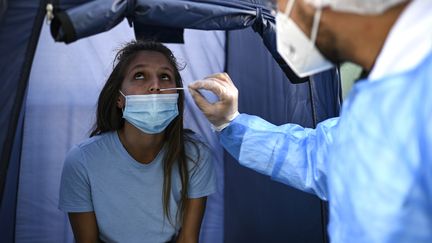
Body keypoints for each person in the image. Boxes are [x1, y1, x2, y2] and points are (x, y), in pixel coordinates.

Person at [188, 0, 432, 242]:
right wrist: (231, 123)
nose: (279, 14)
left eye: (276, 3)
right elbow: (319, 157)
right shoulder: (385, 88)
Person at [59, 40, 216, 243]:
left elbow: (188, 239)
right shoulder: (82, 160)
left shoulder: (196, 155)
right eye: (140, 75)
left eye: (165, 77)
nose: (155, 86)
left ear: (176, 96)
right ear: (119, 98)